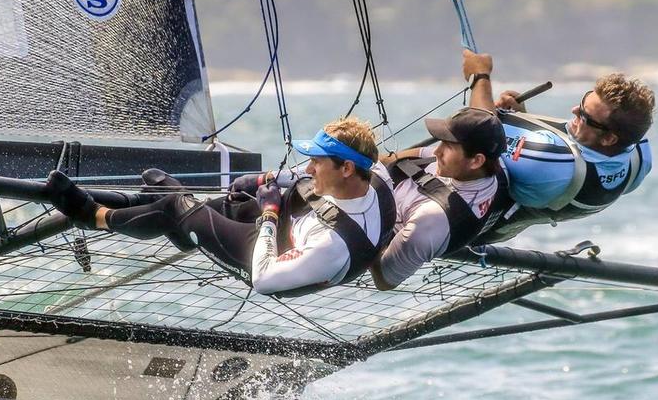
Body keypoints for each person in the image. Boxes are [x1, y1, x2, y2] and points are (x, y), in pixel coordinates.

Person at [47, 117, 396, 297]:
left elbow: (264, 280)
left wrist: (271, 215)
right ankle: (184, 230)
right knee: (227, 203)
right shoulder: (375, 175)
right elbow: (305, 180)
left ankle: (94, 217)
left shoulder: (330, 246)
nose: (308, 169)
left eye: (316, 162)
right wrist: (265, 180)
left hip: (269, 258)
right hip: (297, 226)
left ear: (347, 168)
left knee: (173, 205)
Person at [369, 49, 509, 290]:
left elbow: (385, 280)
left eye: (448, 145)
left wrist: (367, 227)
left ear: (475, 160)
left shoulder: (431, 221)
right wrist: (481, 75)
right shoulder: (486, 164)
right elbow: (485, 115)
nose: (436, 151)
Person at [476, 73, 656, 243]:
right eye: (583, 101)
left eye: (585, 116)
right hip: (501, 227)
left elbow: (478, 129)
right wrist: (521, 117)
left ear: (609, 139)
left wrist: (480, 76)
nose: (574, 110)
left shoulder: (550, 160)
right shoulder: (638, 160)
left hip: (464, 225)